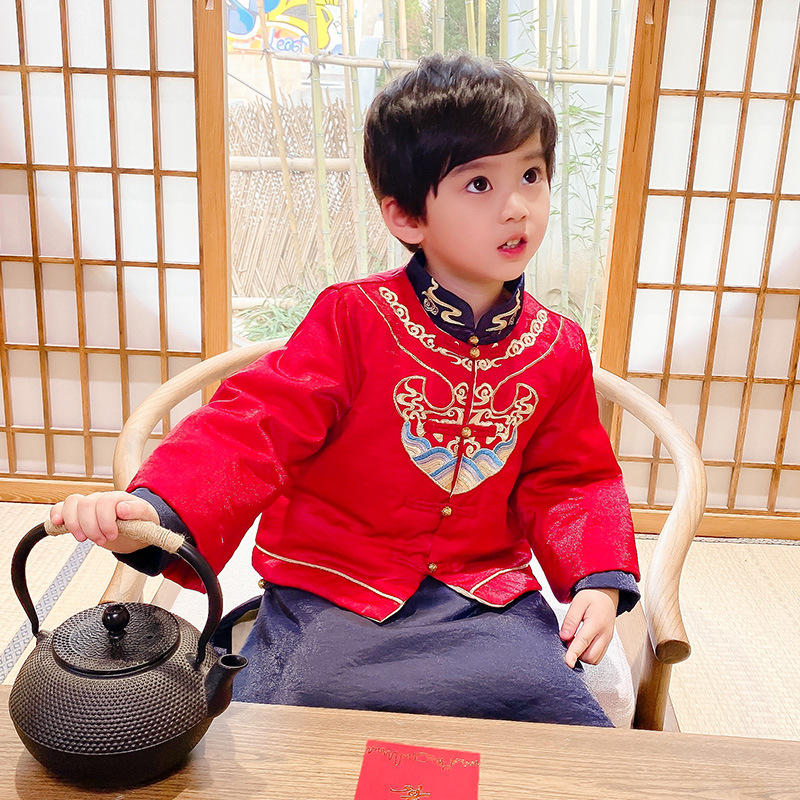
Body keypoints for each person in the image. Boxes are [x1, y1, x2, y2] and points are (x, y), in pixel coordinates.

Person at [51, 52, 640, 727]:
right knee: (292, 719)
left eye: (531, 175)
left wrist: (597, 577)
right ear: (406, 216)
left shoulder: (557, 345)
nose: (517, 207)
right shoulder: (354, 318)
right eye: (479, 184)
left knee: (555, 718)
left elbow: (573, 479)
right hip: (334, 589)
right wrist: (155, 515)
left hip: (485, 598)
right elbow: (253, 430)